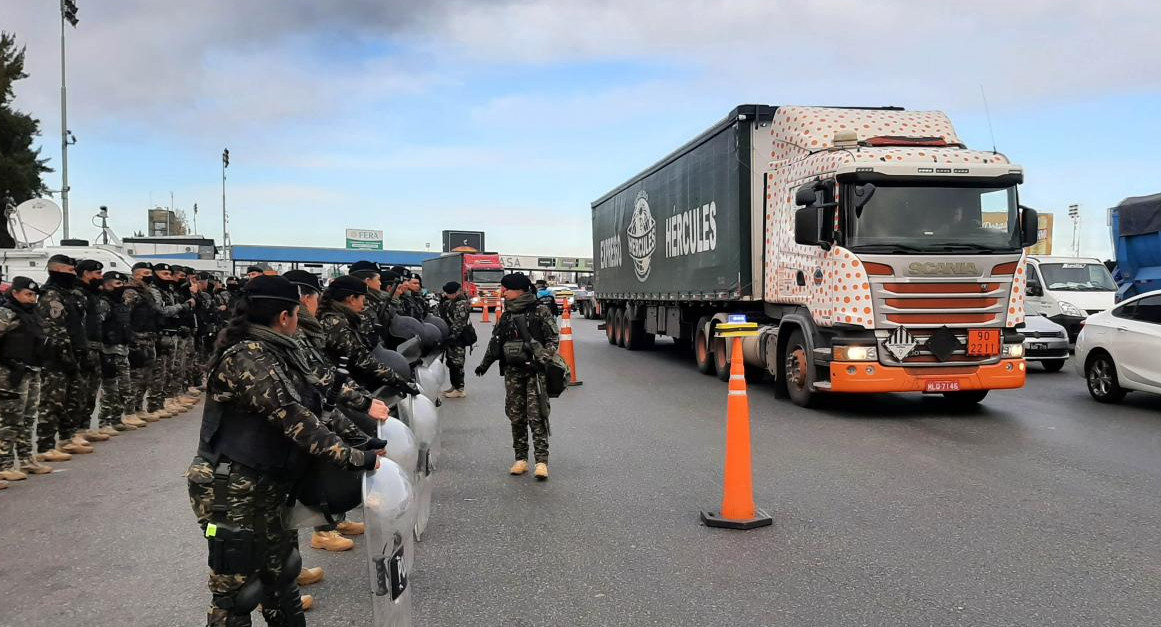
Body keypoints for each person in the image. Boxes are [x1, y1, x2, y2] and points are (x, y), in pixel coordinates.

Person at [186, 275, 386, 626]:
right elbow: (294, 419)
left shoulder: (281, 350)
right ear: (284, 317)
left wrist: (364, 441)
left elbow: (317, 402)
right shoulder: (248, 358)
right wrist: (356, 458)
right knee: (237, 592)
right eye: (296, 313)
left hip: (268, 479)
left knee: (281, 574)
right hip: (230, 486)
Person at [285, 270, 390, 553]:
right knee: (314, 473)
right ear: (305, 299)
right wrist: (364, 402)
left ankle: (332, 522)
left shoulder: (306, 327)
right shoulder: (298, 332)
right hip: (307, 411)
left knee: (328, 466)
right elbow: (320, 375)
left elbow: (328, 372)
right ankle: (321, 531)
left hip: (325, 401)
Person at [475, 272, 559, 480]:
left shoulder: (540, 311)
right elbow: (496, 342)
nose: (503, 292)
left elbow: (553, 339)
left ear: (519, 290)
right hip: (513, 373)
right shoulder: (507, 314)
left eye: (507, 288)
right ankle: (520, 459)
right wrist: (484, 365)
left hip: (534, 372)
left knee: (537, 415)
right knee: (516, 416)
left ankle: (541, 461)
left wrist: (541, 361)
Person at [317, 276, 421, 400]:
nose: (364, 304)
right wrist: (398, 381)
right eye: (362, 299)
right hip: (343, 390)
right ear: (351, 299)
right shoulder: (335, 323)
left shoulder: (338, 319)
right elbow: (363, 359)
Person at [36, 255, 91, 460]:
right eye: (69, 272)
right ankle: (45, 446)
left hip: (73, 355)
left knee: (73, 399)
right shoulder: (51, 296)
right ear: (56, 271)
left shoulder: (68, 295)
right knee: (52, 403)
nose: (73, 275)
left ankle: (68, 437)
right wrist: (66, 357)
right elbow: (54, 332)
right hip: (56, 358)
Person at [0, 277, 53, 484]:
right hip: (10, 373)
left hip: (32, 370)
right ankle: (3, 465)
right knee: (9, 421)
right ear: (15, 293)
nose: (32, 299)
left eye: (34, 295)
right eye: (28, 294)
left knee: (28, 417)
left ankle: (25, 459)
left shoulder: (32, 315)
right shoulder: (6, 313)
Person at [76, 259, 111, 443]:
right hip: (84, 347)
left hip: (96, 346)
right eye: (97, 273)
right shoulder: (78, 293)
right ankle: (74, 432)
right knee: (79, 391)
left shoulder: (94, 294)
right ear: (86, 274)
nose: (101, 277)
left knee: (91, 390)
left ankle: (85, 427)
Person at [96, 271, 135, 437]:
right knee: (110, 389)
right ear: (106, 285)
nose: (122, 287)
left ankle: (117, 419)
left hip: (122, 350)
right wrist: (102, 353)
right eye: (117, 284)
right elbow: (97, 327)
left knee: (124, 387)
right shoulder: (103, 303)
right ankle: (104, 422)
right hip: (108, 351)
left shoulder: (121, 303)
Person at [121, 262, 157, 429]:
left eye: (150, 272)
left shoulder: (147, 292)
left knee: (146, 377)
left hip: (149, 338)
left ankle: (138, 407)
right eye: (145, 273)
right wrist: (131, 339)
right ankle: (129, 411)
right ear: (135, 275)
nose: (149, 275)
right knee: (135, 377)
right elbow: (125, 316)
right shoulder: (131, 292)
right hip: (137, 339)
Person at [437, 281, 471, 398]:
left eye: (449, 293)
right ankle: (454, 386)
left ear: (456, 292)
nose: (447, 295)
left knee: (457, 364)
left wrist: (452, 337)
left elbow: (459, 324)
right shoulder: (451, 302)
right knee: (451, 363)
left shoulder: (462, 304)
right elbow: (441, 315)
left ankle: (460, 389)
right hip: (451, 338)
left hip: (458, 339)